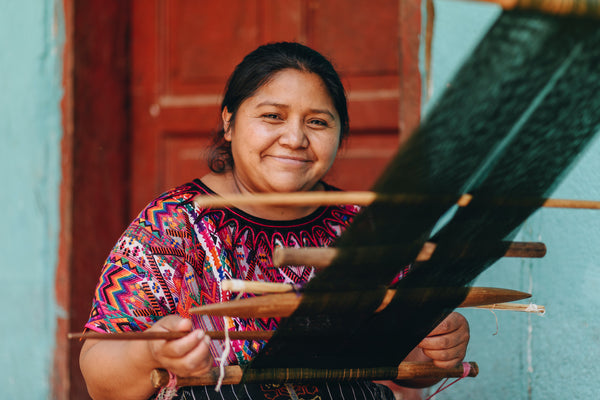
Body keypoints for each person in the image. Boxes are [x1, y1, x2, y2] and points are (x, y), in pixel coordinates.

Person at [80, 42, 470, 400]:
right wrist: (150, 350)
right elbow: (99, 379)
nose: (295, 138)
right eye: (272, 116)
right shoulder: (175, 224)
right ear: (229, 123)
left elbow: (407, 364)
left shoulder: (363, 231)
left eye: (318, 122)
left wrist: (435, 349)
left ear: (340, 133)